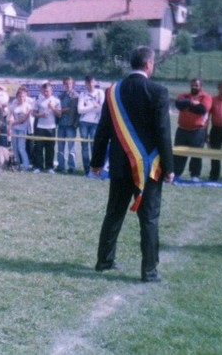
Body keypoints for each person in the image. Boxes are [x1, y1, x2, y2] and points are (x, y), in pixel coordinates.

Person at [91, 46, 174, 283]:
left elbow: (103, 130)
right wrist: (168, 167)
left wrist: (96, 162)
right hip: (149, 170)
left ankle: (104, 260)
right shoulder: (158, 91)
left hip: (119, 165)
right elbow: (163, 133)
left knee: (114, 214)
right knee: (149, 219)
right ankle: (149, 272)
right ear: (148, 64)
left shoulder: (113, 91)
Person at [173, 78, 212, 182]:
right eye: (193, 85)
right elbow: (178, 105)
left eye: (196, 85)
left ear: (201, 86)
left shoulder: (206, 97)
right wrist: (192, 103)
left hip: (198, 131)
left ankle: (195, 175)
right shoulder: (184, 96)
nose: (194, 87)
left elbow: (202, 110)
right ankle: (176, 174)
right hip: (182, 130)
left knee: (196, 154)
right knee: (179, 153)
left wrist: (188, 105)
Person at [77, 75, 105, 176]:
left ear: (95, 82)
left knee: (94, 146)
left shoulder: (100, 92)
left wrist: (87, 107)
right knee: (84, 147)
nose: (90, 84)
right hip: (83, 122)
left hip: (95, 123)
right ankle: (86, 170)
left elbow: (101, 108)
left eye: (92, 82)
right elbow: (80, 110)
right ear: (85, 83)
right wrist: (93, 105)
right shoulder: (82, 94)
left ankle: (94, 170)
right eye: (88, 83)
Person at [31, 82, 61, 174]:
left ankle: (49, 167)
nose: (46, 93)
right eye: (44, 91)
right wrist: (41, 115)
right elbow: (33, 114)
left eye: (47, 91)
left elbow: (59, 114)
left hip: (51, 127)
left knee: (50, 148)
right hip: (40, 127)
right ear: (42, 91)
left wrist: (52, 107)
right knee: (39, 148)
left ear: (51, 91)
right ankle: (38, 167)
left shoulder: (56, 101)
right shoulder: (38, 101)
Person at [56, 77, 79, 174]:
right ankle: (61, 166)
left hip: (70, 124)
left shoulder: (75, 96)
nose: (68, 85)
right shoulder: (61, 95)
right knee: (60, 147)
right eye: (66, 83)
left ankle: (72, 167)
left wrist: (59, 110)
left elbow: (71, 109)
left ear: (72, 84)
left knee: (71, 148)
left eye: (69, 83)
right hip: (61, 124)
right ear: (63, 84)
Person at [8, 86, 32, 171]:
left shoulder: (28, 106)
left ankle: (26, 166)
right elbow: (11, 116)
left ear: (25, 97)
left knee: (21, 148)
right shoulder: (13, 105)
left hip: (22, 129)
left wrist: (13, 122)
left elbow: (23, 119)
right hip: (14, 130)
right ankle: (17, 165)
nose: (21, 98)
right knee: (15, 148)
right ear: (17, 97)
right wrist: (9, 128)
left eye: (23, 96)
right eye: (19, 96)